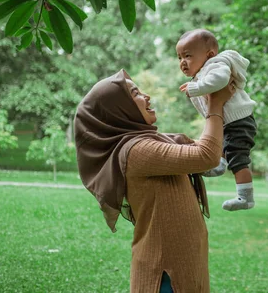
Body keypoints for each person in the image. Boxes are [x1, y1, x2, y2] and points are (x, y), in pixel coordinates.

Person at [74, 69, 234, 293]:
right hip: (164, 270)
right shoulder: (136, 151)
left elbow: (211, 151)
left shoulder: (154, 141)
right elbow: (205, 156)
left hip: (183, 261)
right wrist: (214, 106)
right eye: (135, 94)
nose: (146, 96)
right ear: (119, 109)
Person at [176, 29, 257, 212]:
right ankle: (218, 164)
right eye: (179, 57)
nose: (182, 62)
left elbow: (220, 80)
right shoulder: (203, 72)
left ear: (209, 54)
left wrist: (198, 88)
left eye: (187, 56)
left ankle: (246, 197)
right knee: (218, 143)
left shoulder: (216, 64)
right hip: (228, 122)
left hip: (239, 122)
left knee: (237, 157)